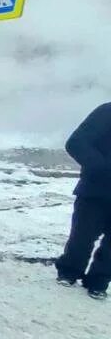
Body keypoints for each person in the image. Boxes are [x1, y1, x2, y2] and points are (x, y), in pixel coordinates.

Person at [55, 102, 111, 301]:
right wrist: (102, 168)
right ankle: (69, 271)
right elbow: (76, 142)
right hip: (96, 190)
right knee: (82, 236)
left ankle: (99, 282)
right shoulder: (107, 112)